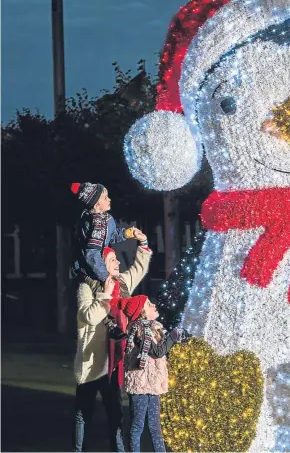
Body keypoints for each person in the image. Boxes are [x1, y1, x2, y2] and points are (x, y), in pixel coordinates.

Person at [73, 241, 152, 452]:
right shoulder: (86, 287)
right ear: (101, 264)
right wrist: (105, 296)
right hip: (92, 364)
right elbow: (89, 316)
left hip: (114, 363)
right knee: (83, 414)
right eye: (112, 259)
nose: (118, 262)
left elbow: (138, 268)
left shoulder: (122, 284)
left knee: (116, 414)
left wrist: (143, 244)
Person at [71, 181, 147, 341]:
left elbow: (111, 237)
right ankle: (110, 325)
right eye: (105, 198)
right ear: (96, 205)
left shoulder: (106, 220)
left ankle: (131, 317)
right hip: (87, 269)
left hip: (98, 264)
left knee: (118, 288)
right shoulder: (96, 224)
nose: (109, 200)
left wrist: (127, 233)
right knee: (103, 289)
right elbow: (91, 254)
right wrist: (104, 276)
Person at [124, 298, 189, 453]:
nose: (153, 305)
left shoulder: (156, 327)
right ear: (141, 313)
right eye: (148, 304)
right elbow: (157, 351)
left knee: (155, 426)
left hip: (153, 383)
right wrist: (173, 336)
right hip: (140, 384)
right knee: (138, 425)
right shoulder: (138, 329)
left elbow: (164, 346)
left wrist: (179, 335)